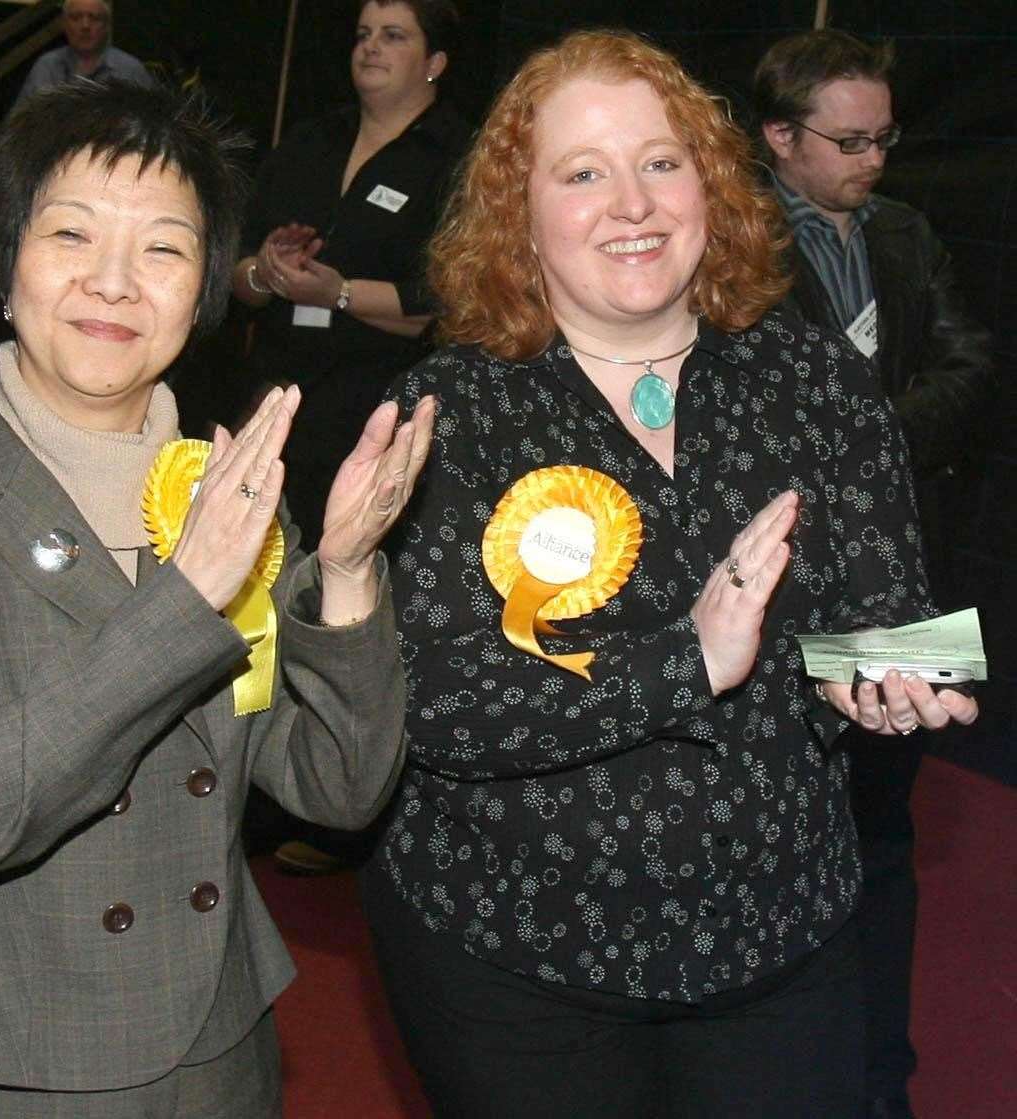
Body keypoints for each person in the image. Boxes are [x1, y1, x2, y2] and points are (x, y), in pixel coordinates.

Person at [363, 29, 980, 1118]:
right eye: (582, 173)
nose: (631, 204)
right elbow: (433, 704)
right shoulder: (449, 411)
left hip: (781, 940)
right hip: (520, 961)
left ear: (710, 182)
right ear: (519, 211)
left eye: (659, 161)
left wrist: (876, 677)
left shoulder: (811, 374)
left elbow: (880, 606)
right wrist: (685, 660)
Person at [0, 79, 433, 1118]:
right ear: (5, 267)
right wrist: (185, 594)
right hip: (22, 1063)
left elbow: (336, 789)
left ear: (205, 293)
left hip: (221, 1046)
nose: (115, 284)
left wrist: (353, 572)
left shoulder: (222, 489)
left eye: (164, 250)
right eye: (72, 236)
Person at [753, 31, 994, 1118]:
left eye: (882, 139)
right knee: (771, 834)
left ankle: (874, 1079)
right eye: (847, 141)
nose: (871, 161)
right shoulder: (726, 242)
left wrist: (863, 433)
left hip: (905, 579)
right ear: (777, 139)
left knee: (883, 836)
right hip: (775, 587)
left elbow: (970, 365)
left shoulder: (904, 231)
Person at [232, 0, 469, 551]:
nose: (370, 46)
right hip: (279, 394)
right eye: (363, 34)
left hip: (379, 409)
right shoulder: (310, 141)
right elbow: (234, 274)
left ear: (434, 61)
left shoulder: (459, 158)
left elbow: (439, 302)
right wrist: (265, 271)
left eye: (392, 36)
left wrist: (336, 293)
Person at [15, 0, 152, 107]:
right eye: (76, 17)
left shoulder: (131, 70)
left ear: (106, 26)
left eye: (94, 18)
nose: (85, 26)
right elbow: (18, 122)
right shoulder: (46, 66)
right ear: (64, 25)